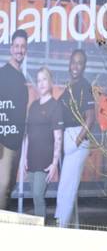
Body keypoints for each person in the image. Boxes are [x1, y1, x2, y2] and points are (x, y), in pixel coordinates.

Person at [55, 50, 96, 228]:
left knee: (66, 188)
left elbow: (91, 118)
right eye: (73, 62)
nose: (75, 66)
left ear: (84, 66)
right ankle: (70, 226)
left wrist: (76, 141)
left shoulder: (84, 86)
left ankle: (61, 226)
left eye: (79, 63)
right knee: (68, 188)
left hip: (76, 138)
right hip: (67, 138)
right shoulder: (70, 87)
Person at [19, 67, 63, 222]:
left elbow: (58, 138)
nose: (41, 83)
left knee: (38, 195)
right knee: (36, 197)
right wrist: (24, 158)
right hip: (31, 160)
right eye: (38, 80)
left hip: (45, 162)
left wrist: (54, 163)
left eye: (44, 79)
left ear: (50, 81)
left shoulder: (56, 106)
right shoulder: (33, 106)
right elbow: (27, 136)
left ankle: (40, 232)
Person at [0, 30, 28, 208]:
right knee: (2, 187)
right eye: (16, 46)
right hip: (4, 143)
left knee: (9, 187)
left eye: (23, 46)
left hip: (17, 143)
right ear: (11, 48)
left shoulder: (21, 76)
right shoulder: (3, 74)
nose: (19, 50)